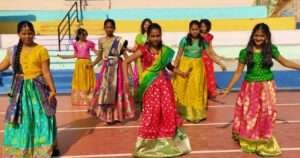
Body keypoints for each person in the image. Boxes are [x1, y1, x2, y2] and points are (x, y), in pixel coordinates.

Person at [221, 23, 300, 157]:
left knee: (267, 114)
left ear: (266, 37)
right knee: (250, 115)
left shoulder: (271, 50)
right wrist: (228, 89)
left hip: (267, 87)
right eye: (256, 35)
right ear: (252, 36)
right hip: (250, 87)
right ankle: (251, 141)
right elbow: (238, 73)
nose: (258, 38)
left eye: (261, 36)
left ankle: (264, 139)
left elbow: (285, 62)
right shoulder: (245, 52)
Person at [123, 23, 191, 157]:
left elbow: (169, 67)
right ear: (148, 37)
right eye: (152, 36)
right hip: (150, 87)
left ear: (161, 36)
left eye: (158, 36)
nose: (155, 38)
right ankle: (147, 145)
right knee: (151, 113)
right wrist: (127, 81)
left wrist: (181, 73)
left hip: (165, 86)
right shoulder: (143, 50)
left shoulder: (165, 51)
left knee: (167, 111)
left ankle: (168, 142)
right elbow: (125, 62)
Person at [1, 21, 58, 157]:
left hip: (38, 90)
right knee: (21, 119)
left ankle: (44, 149)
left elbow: (46, 72)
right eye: (24, 33)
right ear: (19, 34)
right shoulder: (12, 51)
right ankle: (22, 149)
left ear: (33, 33)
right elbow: (3, 65)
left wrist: (53, 90)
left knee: (42, 118)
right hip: (19, 91)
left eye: (30, 33)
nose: (27, 36)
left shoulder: (41, 50)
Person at [88, 19, 135, 124]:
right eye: (107, 27)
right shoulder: (101, 40)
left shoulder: (119, 40)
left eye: (111, 27)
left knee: (118, 91)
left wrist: (130, 71)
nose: (109, 29)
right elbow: (100, 56)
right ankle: (108, 116)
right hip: (107, 70)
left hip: (118, 69)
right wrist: (92, 64)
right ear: (104, 28)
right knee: (106, 92)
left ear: (114, 28)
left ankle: (117, 115)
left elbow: (125, 56)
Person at [58, 28, 97, 106]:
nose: (84, 36)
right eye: (82, 34)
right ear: (78, 35)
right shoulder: (75, 44)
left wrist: (102, 53)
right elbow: (75, 54)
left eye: (86, 35)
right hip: (79, 64)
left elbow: (95, 51)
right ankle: (81, 99)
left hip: (87, 63)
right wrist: (65, 57)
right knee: (80, 80)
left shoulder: (89, 43)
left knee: (88, 80)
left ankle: (90, 98)